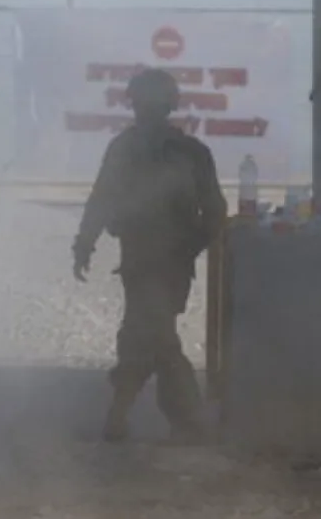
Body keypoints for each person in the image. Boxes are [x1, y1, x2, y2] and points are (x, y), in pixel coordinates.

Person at [72, 66, 227, 443]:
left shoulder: (177, 152)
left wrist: (86, 242)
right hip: (145, 262)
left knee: (147, 335)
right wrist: (85, 241)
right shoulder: (156, 150)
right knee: (152, 335)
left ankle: (136, 415)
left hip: (164, 263)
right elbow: (103, 199)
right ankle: (180, 418)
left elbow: (216, 213)